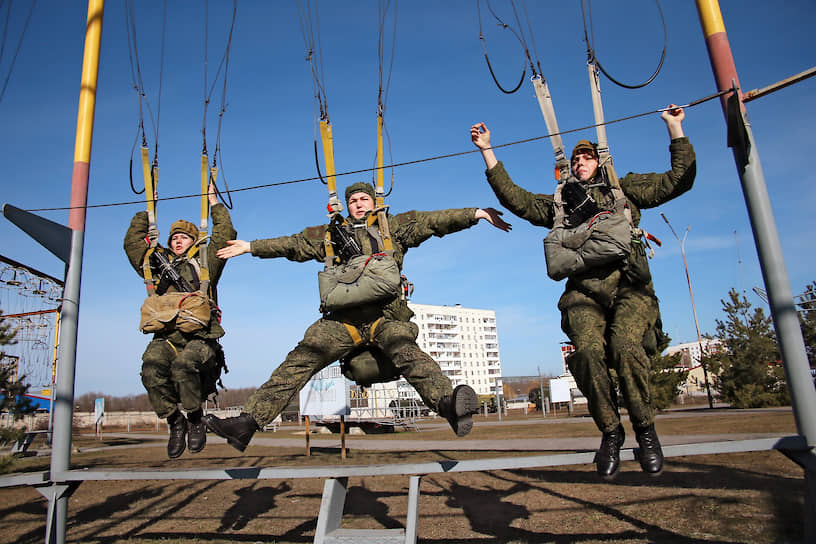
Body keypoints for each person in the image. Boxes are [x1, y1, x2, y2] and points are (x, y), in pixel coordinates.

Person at [470, 106, 696, 480]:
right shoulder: (559, 204)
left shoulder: (625, 189)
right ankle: (610, 432)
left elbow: (678, 180)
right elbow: (517, 199)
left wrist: (675, 128)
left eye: (587, 157)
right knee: (588, 352)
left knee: (625, 346)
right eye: (575, 160)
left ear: (601, 161)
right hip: (583, 294)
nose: (580, 163)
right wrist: (487, 150)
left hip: (630, 287)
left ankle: (645, 430)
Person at [203, 181, 512, 452]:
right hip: (342, 322)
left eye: (363, 199)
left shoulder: (393, 227)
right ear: (347, 206)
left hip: (385, 316)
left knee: (407, 352)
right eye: (353, 201)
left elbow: (434, 221)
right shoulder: (328, 235)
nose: (358, 204)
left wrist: (475, 214)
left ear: (374, 202)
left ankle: (448, 404)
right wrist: (250, 247)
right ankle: (247, 423)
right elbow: (293, 244)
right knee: (299, 360)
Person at [124, 182, 236, 458]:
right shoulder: (157, 265)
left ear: (194, 241)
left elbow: (225, 234)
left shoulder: (206, 262)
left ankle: (195, 418)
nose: (177, 241)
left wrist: (214, 204)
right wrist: (148, 214)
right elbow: (132, 244)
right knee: (150, 369)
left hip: (200, 340)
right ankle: (175, 422)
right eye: (174, 237)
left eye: (183, 237)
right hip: (167, 338)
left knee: (186, 366)